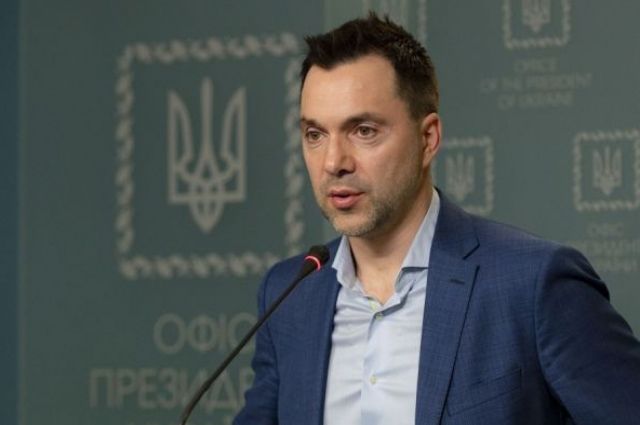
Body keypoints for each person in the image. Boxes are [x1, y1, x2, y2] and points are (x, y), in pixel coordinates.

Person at [233, 13, 640, 425]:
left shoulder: (533, 285)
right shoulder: (288, 295)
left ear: (428, 139)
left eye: (364, 130)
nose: (333, 162)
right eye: (315, 135)